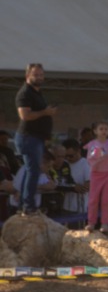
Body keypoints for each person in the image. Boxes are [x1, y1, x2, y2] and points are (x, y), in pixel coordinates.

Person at [13, 63, 55, 215]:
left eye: (41, 75)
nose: (39, 77)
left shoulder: (37, 93)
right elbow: (25, 115)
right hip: (28, 137)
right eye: (36, 74)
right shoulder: (25, 93)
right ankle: (28, 206)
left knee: (32, 171)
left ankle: (24, 205)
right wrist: (45, 112)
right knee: (33, 171)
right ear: (27, 76)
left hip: (36, 138)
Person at [84, 123, 108, 232]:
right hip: (95, 173)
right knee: (93, 199)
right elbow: (90, 159)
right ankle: (91, 222)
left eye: (106, 129)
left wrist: (105, 153)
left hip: (107, 173)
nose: (104, 131)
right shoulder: (92, 144)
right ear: (95, 131)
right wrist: (98, 154)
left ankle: (105, 223)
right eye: (101, 129)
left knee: (106, 199)